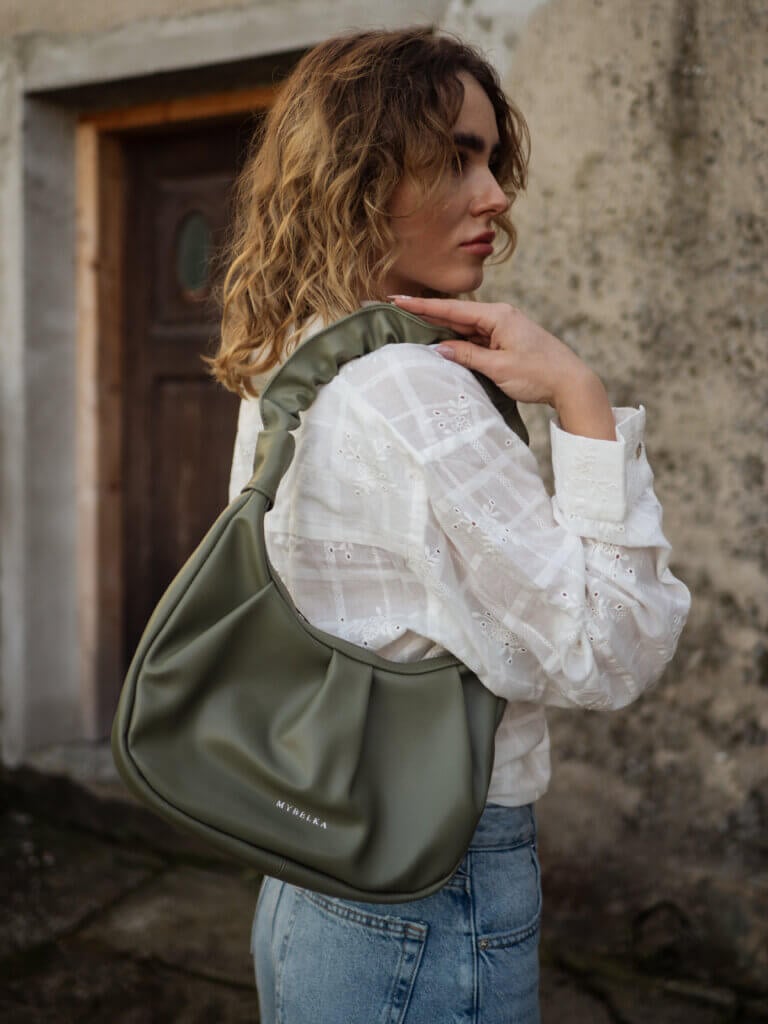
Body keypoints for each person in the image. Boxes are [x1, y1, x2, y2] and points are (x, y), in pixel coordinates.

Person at [209, 27, 691, 1024]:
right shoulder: (411, 389)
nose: (496, 195)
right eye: (456, 158)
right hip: (430, 889)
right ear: (358, 176)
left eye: (491, 158)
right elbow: (610, 650)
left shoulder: (298, 360)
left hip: (310, 869)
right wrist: (580, 396)